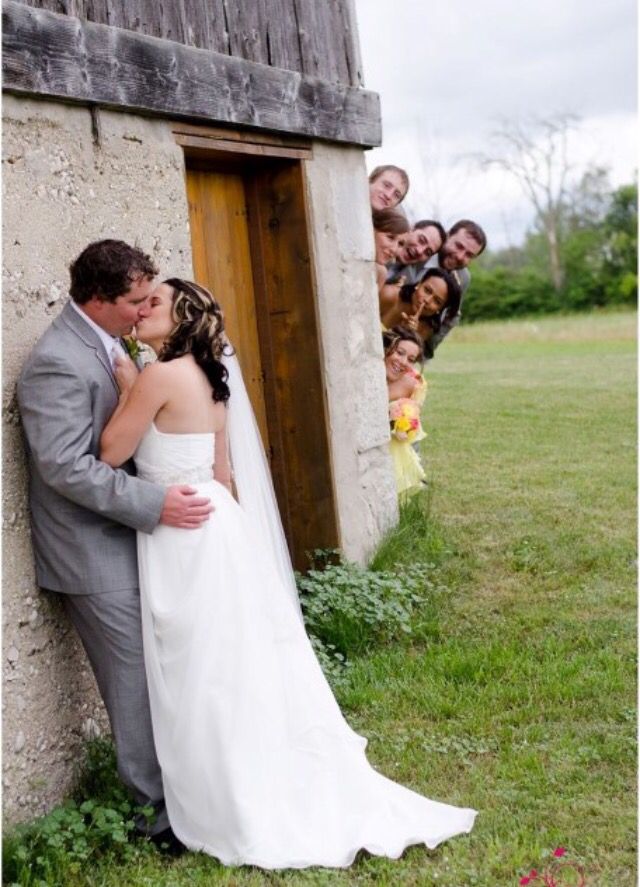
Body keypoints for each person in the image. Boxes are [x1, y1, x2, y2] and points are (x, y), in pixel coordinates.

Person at [99, 278, 477, 868]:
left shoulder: (154, 376)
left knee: (197, 668)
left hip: (179, 529)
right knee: (232, 663)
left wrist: (127, 386)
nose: (141, 310)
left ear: (179, 320)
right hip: (221, 526)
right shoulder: (211, 378)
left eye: (154, 304)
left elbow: (110, 455)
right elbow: (223, 475)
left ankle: (217, 794)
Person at [17, 240, 213, 854]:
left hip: (134, 543)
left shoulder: (113, 345)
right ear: (97, 299)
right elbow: (66, 468)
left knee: (159, 676)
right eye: (133, 301)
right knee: (132, 686)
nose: (142, 310)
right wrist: (155, 506)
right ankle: (158, 819)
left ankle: (186, 791)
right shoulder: (55, 361)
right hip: (92, 554)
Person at [423, 219, 487, 354]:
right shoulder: (421, 253)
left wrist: (425, 351)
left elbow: (451, 317)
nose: (459, 256)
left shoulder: (463, 277)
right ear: (447, 235)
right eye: (458, 246)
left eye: (469, 255)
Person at [384, 327, 429, 499]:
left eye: (411, 359)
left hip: (392, 449)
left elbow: (412, 428)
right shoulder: (368, 372)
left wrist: (398, 423)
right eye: (399, 352)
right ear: (387, 349)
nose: (403, 362)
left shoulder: (412, 385)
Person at [380, 268, 462, 359]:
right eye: (427, 290)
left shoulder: (426, 328)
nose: (427, 300)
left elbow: (404, 361)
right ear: (419, 284)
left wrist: (409, 334)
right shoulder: (389, 295)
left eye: (437, 301)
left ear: (440, 309)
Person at [384, 219, 447, 288]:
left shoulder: (407, 283)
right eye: (421, 240)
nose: (419, 251)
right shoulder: (379, 238)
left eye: (427, 252)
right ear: (411, 229)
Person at [372, 208, 411, 291]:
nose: (394, 249)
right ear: (373, 230)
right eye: (390, 237)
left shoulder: (381, 272)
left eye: (400, 244)